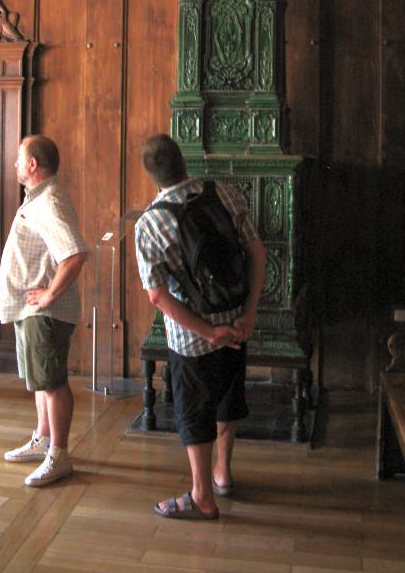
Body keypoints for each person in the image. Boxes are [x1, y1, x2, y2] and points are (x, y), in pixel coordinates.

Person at [135, 134, 266, 520]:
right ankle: (223, 474)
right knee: (227, 400)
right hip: (236, 322)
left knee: (195, 413)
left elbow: (158, 296)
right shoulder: (223, 192)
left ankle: (202, 497)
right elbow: (257, 251)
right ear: (183, 160)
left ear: (151, 175)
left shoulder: (150, 223)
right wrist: (249, 312)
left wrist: (207, 332)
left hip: (191, 339)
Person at [0, 135, 88, 487]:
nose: (16, 164)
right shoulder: (37, 197)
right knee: (40, 381)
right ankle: (43, 439)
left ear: (33, 164)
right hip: (30, 309)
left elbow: (75, 254)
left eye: (20, 158)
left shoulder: (49, 201)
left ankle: (58, 455)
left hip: (45, 313)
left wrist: (49, 296)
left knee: (52, 383)